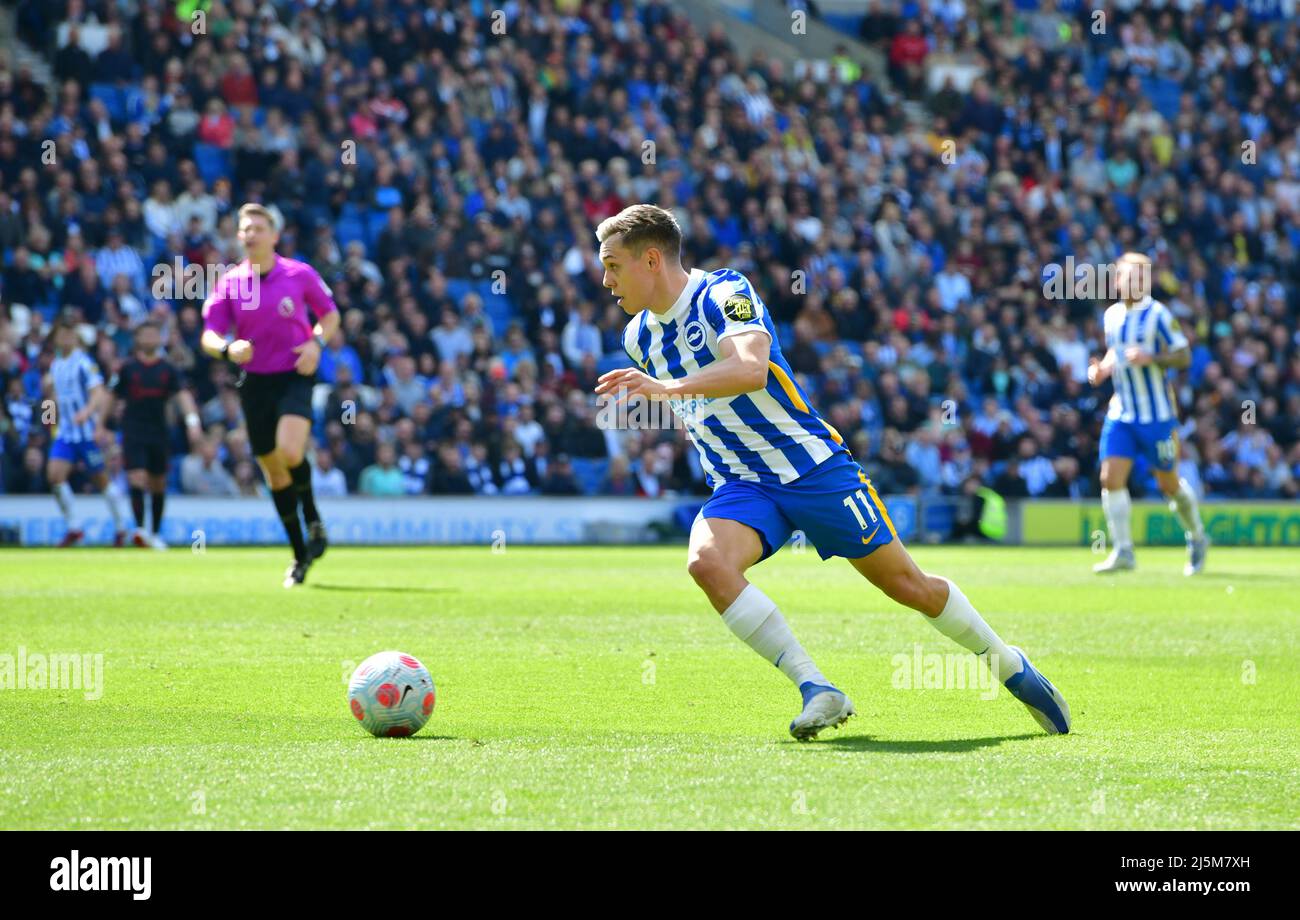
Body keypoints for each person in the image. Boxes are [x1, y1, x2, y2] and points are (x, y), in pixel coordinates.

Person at [593, 205, 1069, 740]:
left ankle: (1007, 663)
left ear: (651, 259)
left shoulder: (724, 293)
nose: (605, 280)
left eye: (612, 265)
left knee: (909, 587)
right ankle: (817, 688)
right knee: (706, 563)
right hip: (741, 482)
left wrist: (668, 391)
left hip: (811, 467)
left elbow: (750, 369)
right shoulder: (638, 338)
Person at [199, 203, 340, 587]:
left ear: (274, 236)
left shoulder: (300, 273)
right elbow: (209, 334)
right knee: (274, 472)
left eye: (259, 228)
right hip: (255, 383)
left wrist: (316, 344)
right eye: (245, 228)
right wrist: (227, 349)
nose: (251, 234)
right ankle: (300, 554)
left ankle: (312, 517)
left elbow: (329, 315)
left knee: (290, 451)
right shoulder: (229, 282)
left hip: (294, 373)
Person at [1088, 252, 1207, 575]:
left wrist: (1152, 356)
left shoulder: (1158, 314)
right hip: (1122, 413)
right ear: (1117, 280)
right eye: (1131, 277)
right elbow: (1117, 350)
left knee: (1169, 484)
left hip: (1156, 417)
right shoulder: (1111, 315)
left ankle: (1196, 535)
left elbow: (1183, 356)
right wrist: (1102, 369)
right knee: (1109, 478)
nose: (1138, 283)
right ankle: (1123, 550)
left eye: (1143, 277)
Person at [112, 320, 203, 548]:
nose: (151, 338)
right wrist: (100, 424)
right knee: (137, 478)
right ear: (138, 339)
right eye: (146, 334)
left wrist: (192, 422)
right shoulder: (127, 368)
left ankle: (154, 532)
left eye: (155, 334)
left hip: (159, 431)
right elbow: (111, 396)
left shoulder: (168, 369)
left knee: (158, 483)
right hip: (133, 430)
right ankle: (140, 529)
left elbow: (182, 396)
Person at [46, 317, 133, 545]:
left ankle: (122, 527)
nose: (65, 338)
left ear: (75, 338)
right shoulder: (55, 366)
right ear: (55, 338)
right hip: (65, 433)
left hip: (85, 433)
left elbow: (98, 393)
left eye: (69, 334)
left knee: (101, 480)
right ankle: (74, 527)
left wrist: (88, 413)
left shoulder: (84, 363)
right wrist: (50, 420)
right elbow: (53, 399)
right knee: (54, 476)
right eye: (61, 334)